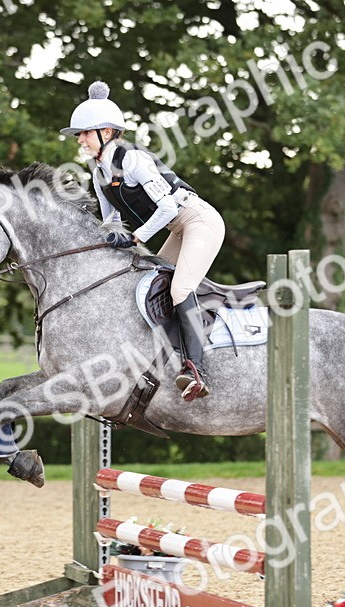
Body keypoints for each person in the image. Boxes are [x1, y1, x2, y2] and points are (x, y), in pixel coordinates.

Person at [61, 80, 226, 401]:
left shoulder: (132, 160)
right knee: (148, 283)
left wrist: (136, 237)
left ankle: (196, 369)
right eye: (78, 134)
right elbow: (110, 221)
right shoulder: (98, 173)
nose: (79, 139)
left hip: (199, 221)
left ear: (106, 133)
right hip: (178, 228)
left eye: (83, 133)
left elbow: (166, 207)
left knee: (180, 288)